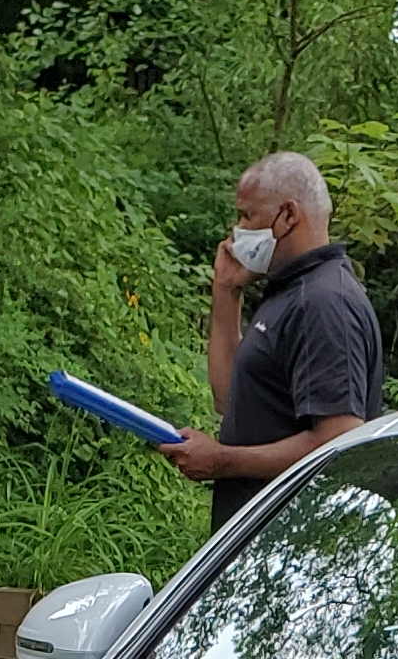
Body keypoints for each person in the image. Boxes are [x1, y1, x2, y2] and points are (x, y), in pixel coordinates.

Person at [156, 153, 384, 529]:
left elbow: (339, 439)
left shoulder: (324, 303)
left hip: (297, 540)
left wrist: (222, 461)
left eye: (247, 216)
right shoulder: (291, 290)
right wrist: (226, 291)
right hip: (257, 536)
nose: (237, 231)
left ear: (288, 215)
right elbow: (227, 397)